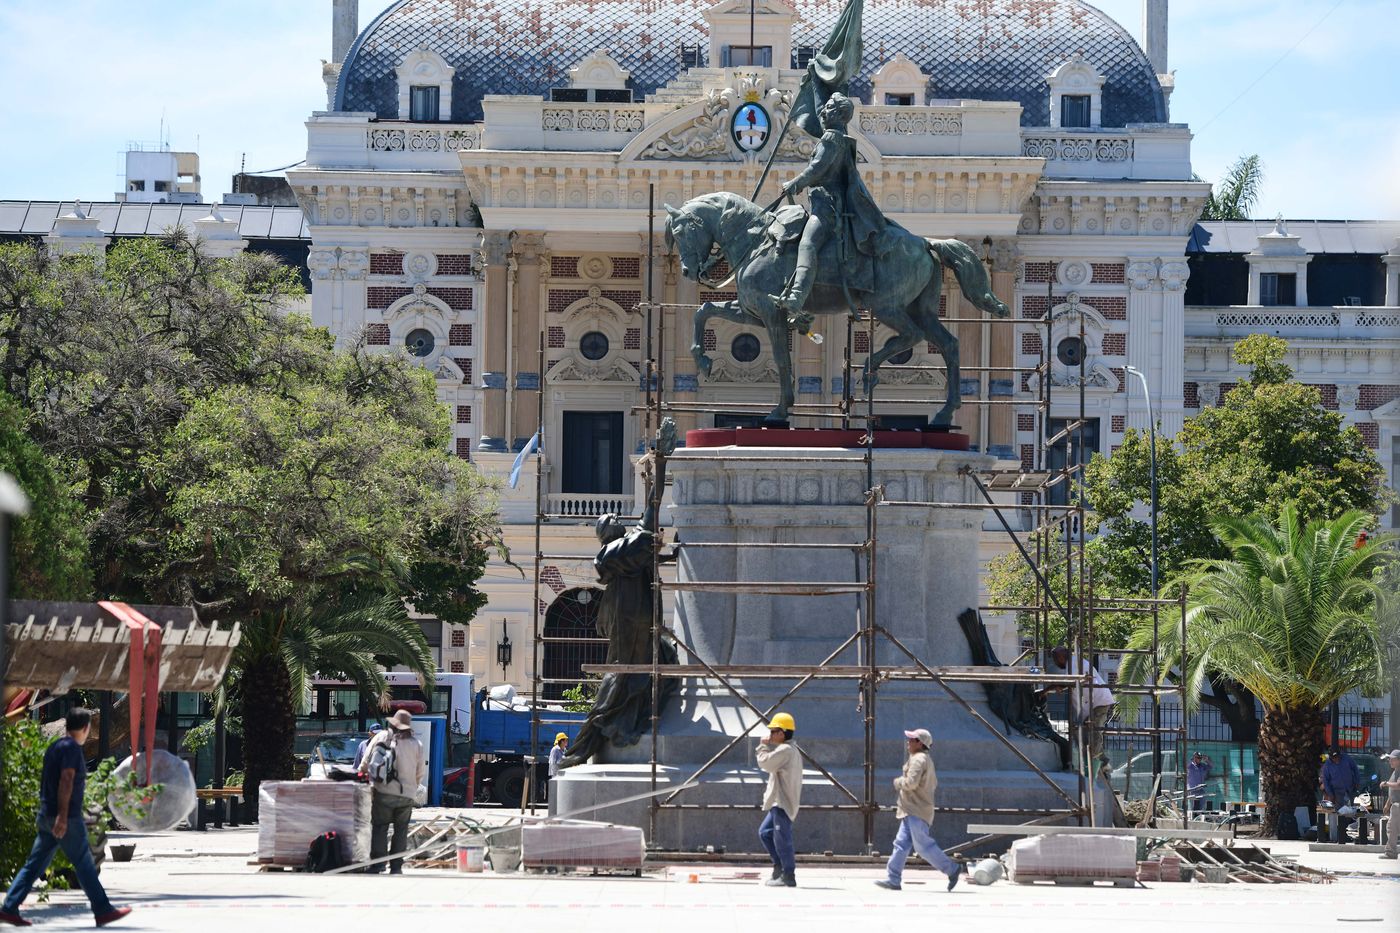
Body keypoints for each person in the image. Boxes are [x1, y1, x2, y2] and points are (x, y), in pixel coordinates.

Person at [0, 708, 131, 928]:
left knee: (35, 866)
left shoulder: (55, 747)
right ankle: (103, 910)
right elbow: (67, 780)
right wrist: (62, 816)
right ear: (85, 728)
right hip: (66, 817)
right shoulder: (71, 748)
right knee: (84, 864)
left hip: (47, 814)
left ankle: (9, 907)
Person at [768, 91, 885, 332]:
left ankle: (797, 296)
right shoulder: (838, 136)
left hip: (828, 207)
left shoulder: (832, 137)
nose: (822, 112)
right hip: (826, 203)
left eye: (829, 108)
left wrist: (795, 183)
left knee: (808, 244)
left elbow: (817, 168)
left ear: (840, 114)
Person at [874, 728, 960, 893]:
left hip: (916, 811)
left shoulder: (919, 759)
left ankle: (952, 869)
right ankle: (893, 879)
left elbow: (911, 783)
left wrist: (898, 782)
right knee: (901, 845)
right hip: (912, 810)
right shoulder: (923, 759)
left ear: (920, 743)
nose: (908, 742)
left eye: (912, 739)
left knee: (923, 847)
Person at [359, 709, 426, 874]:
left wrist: (362, 773)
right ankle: (396, 867)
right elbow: (420, 773)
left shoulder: (382, 737)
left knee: (380, 827)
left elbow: (366, 761)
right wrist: (411, 787)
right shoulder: (416, 744)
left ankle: (378, 864)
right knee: (401, 830)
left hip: (384, 791)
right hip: (407, 795)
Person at [1049, 646, 1114, 773]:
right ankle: (1101, 761)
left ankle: (1091, 770)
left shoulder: (1074, 664)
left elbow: (1072, 681)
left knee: (1094, 733)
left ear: (1060, 657)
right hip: (1087, 706)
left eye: (1055, 659)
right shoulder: (1071, 665)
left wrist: (1050, 688)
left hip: (1098, 702)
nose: (1055, 663)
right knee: (1079, 735)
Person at [756, 712, 802, 888]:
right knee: (765, 833)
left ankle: (788, 874)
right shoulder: (789, 750)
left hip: (782, 802)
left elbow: (765, 763)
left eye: (773, 730)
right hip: (778, 801)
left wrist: (762, 746)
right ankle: (779, 866)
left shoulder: (785, 750)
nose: (770, 734)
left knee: (782, 838)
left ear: (782, 733)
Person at [1321, 747, 1361, 843]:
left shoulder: (1347, 759)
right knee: (1341, 812)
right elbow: (1325, 781)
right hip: (1337, 792)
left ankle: (1345, 832)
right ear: (1330, 757)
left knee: (1351, 812)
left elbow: (1355, 769)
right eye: (1334, 758)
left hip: (1349, 789)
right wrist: (1330, 794)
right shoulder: (1327, 766)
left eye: (1338, 757)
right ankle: (1341, 834)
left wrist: (1357, 781)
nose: (1336, 759)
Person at [1379, 749, 1399, 860]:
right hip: (1395, 806)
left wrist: (1386, 783)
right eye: (1389, 759)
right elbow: (1394, 791)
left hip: (1398, 806)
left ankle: (1390, 853)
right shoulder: (1395, 771)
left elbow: (1398, 786)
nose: (1390, 761)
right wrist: (1388, 804)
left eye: (1393, 759)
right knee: (1391, 828)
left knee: (1391, 828)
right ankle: (1391, 852)